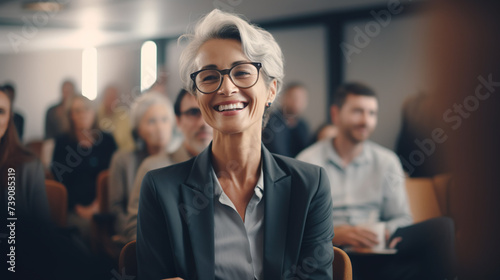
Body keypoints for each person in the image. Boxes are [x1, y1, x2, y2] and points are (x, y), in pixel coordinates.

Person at [136, 9, 334, 280]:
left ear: (271, 90)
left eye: (241, 72)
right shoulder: (161, 189)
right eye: (209, 77)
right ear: (196, 96)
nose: (226, 88)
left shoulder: (309, 185)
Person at [297, 82, 456, 280]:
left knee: (444, 227)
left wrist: (383, 232)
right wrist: (334, 234)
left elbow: (402, 218)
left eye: (372, 113)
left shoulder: (387, 161)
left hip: (378, 251)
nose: (366, 121)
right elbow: (297, 225)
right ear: (335, 114)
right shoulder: (307, 161)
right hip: (332, 253)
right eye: (358, 111)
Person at [123, 88, 212, 241]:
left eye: (210, 111)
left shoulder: (229, 169)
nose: (203, 122)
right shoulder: (154, 169)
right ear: (177, 121)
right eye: (193, 113)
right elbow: (135, 231)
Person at [50, 95, 117, 241]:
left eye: (86, 109)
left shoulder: (107, 140)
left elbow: (114, 177)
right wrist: (78, 208)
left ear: (94, 112)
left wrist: (99, 204)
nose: (82, 114)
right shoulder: (63, 143)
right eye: (77, 111)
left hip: (105, 204)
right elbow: (59, 180)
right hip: (74, 208)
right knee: (83, 231)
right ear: (70, 116)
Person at [108, 92, 174, 236]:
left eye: (165, 119)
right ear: (138, 130)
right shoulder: (122, 160)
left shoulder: (180, 160)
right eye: (151, 121)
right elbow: (116, 209)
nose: (160, 127)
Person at [263, 82, 311, 157]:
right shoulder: (271, 121)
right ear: (284, 98)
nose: (298, 102)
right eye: (294, 97)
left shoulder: (302, 125)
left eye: (302, 98)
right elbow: (278, 153)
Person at [97, 85, 135, 151]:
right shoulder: (95, 115)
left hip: (120, 154)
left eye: (114, 97)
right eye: (109, 96)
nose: (112, 100)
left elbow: (129, 143)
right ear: (103, 97)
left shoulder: (124, 116)